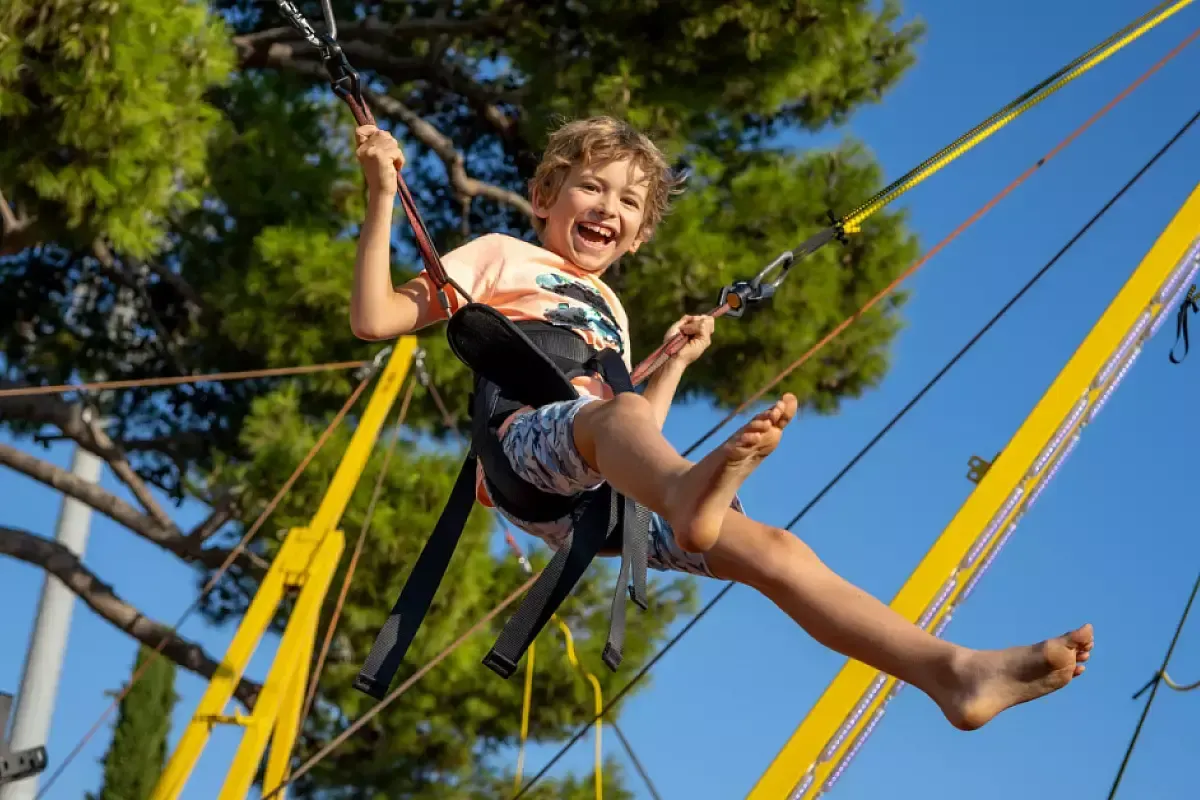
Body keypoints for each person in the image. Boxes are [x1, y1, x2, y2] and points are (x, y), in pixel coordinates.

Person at [349, 115, 1094, 731]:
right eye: (591, 187)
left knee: (775, 550)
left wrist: (671, 364)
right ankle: (692, 498)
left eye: (630, 203)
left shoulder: (612, 311)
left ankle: (952, 672)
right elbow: (376, 318)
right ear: (545, 196)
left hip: (608, 486)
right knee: (629, 429)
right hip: (525, 453)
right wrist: (384, 192)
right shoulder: (498, 255)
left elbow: (638, 434)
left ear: (638, 236)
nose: (609, 207)